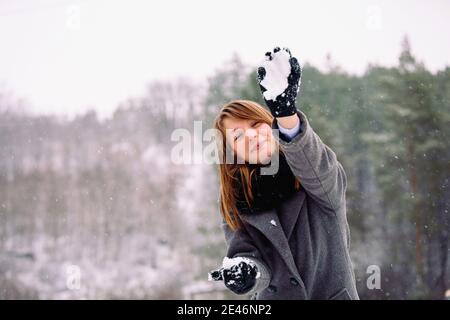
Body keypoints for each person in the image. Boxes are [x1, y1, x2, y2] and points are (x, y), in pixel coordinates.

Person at [208, 47, 359, 300]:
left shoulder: (314, 174)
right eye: (238, 136)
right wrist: (247, 272)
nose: (252, 135)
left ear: (270, 123)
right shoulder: (236, 200)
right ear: (233, 153)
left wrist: (286, 114)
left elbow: (315, 168)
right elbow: (251, 258)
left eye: (256, 125)